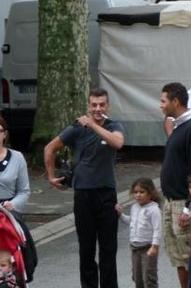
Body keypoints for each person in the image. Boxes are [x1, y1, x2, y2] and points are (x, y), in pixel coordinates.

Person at [43, 88, 124, 288]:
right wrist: (51, 176)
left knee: (108, 249)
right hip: (83, 195)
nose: (98, 109)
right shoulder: (77, 128)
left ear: (108, 106)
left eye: (102, 105)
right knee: (86, 249)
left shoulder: (114, 126)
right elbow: (49, 148)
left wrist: (93, 125)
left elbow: (118, 143)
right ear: (88, 106)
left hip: (107, 195)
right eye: (94, 105)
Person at [159, 82, 191, 288]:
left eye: (163, 101)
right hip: (171, 201)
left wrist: (190, 207)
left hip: (184, 202)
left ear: (176, 101)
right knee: (179, 258)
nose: (160, 105)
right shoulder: (179, 127)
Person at [116, 178, 161, 288]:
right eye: (135, 192)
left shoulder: (153, 209)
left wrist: (155, 246)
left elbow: (157, 229)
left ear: (150, 193)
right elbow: (130, 221)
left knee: (149, 278)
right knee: (137, 277)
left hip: (148, 248)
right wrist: (120, 215)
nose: (138, 195)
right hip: (135, 248)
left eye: (142, 192)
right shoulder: (134, 207)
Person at [0, 116, 30, 215]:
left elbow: (24, 191)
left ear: (5, 134)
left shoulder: (17, 157)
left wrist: (13, 204)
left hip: (7, 213)